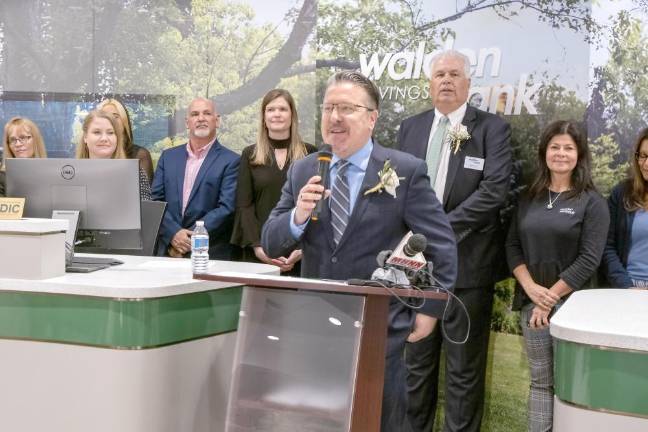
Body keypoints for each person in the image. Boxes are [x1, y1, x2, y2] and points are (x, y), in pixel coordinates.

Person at [261, 71, 457, 431]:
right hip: (314, 328)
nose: (334, 117)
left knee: (379, 420)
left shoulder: (404, 170)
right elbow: (272, 241)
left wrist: (430, 309)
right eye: (328, 108)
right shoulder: (305, 169)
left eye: (346, 108)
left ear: (372, 117)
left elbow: (442, 245)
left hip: (378, 329)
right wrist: (298, 216)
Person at [398, 49, 512, 432]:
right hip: (415, 273)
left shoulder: (491, 129)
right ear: (429, 83)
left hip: (469, 268)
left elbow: (495, 191)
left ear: (468, 83)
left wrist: (438, 230)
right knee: (414, 368)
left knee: (463, 374)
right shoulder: (409, 128)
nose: (446, 80)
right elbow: (397, 191)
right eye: (439, 74)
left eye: (454, 74)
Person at [506, 120, 609, 431]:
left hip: (573, 309)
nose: (561, 153)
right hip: (532, 304)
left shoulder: (592, 202)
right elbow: (512, 246)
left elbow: (589, 259)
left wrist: (548, 299)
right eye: (555, 147)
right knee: (540, 383)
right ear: (544, 152)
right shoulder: (528, 197)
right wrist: (531, 289)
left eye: (568, 147)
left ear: (579, 155)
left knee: (573, 387)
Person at [230, 89, 317, 274]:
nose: (277, 114)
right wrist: (260, 248)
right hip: (258, 256)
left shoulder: (310, 154)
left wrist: (301, 249)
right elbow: (244, 206)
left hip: (301, 256)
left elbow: (317, 206)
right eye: (271, 109)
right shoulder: (250, 154)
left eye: (283, 109)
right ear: (263, 116)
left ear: (292, 115)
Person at [151, 97, 240, 260]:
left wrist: (189, 239)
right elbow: (155, 200)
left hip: (210, 253)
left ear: (217, 120)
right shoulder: (168, 157)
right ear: (187, 122)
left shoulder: (232, 161)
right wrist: (173, 233)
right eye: (195, 114)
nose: (200, 118)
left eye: (207, 113)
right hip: (169, 252)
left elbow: (227, 208)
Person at [602, 128, 648, 288]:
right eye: (643, 156)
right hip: (627, 289)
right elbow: (607, 246)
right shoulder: (621, 193)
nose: (646, 164)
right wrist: (626, 286)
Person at [76, 110, 151, 200]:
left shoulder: (135, 174)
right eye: (97, 132)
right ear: (85, 137)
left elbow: (145, 212)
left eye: (110, 133)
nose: (104, 138)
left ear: (117, 138)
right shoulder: (72, 174)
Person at [97, 98, 154, 182]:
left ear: (124, 122)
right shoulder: (91, 150)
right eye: (105, 116)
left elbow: (144, 194)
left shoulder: (140, 155)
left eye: (115, 116)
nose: (110, 120)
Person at [1, 117, 48, 196]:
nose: (18, 144)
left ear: (35, 140)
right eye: (12, 140)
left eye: (23, 138)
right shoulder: (2, 178)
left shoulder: (50, 174)